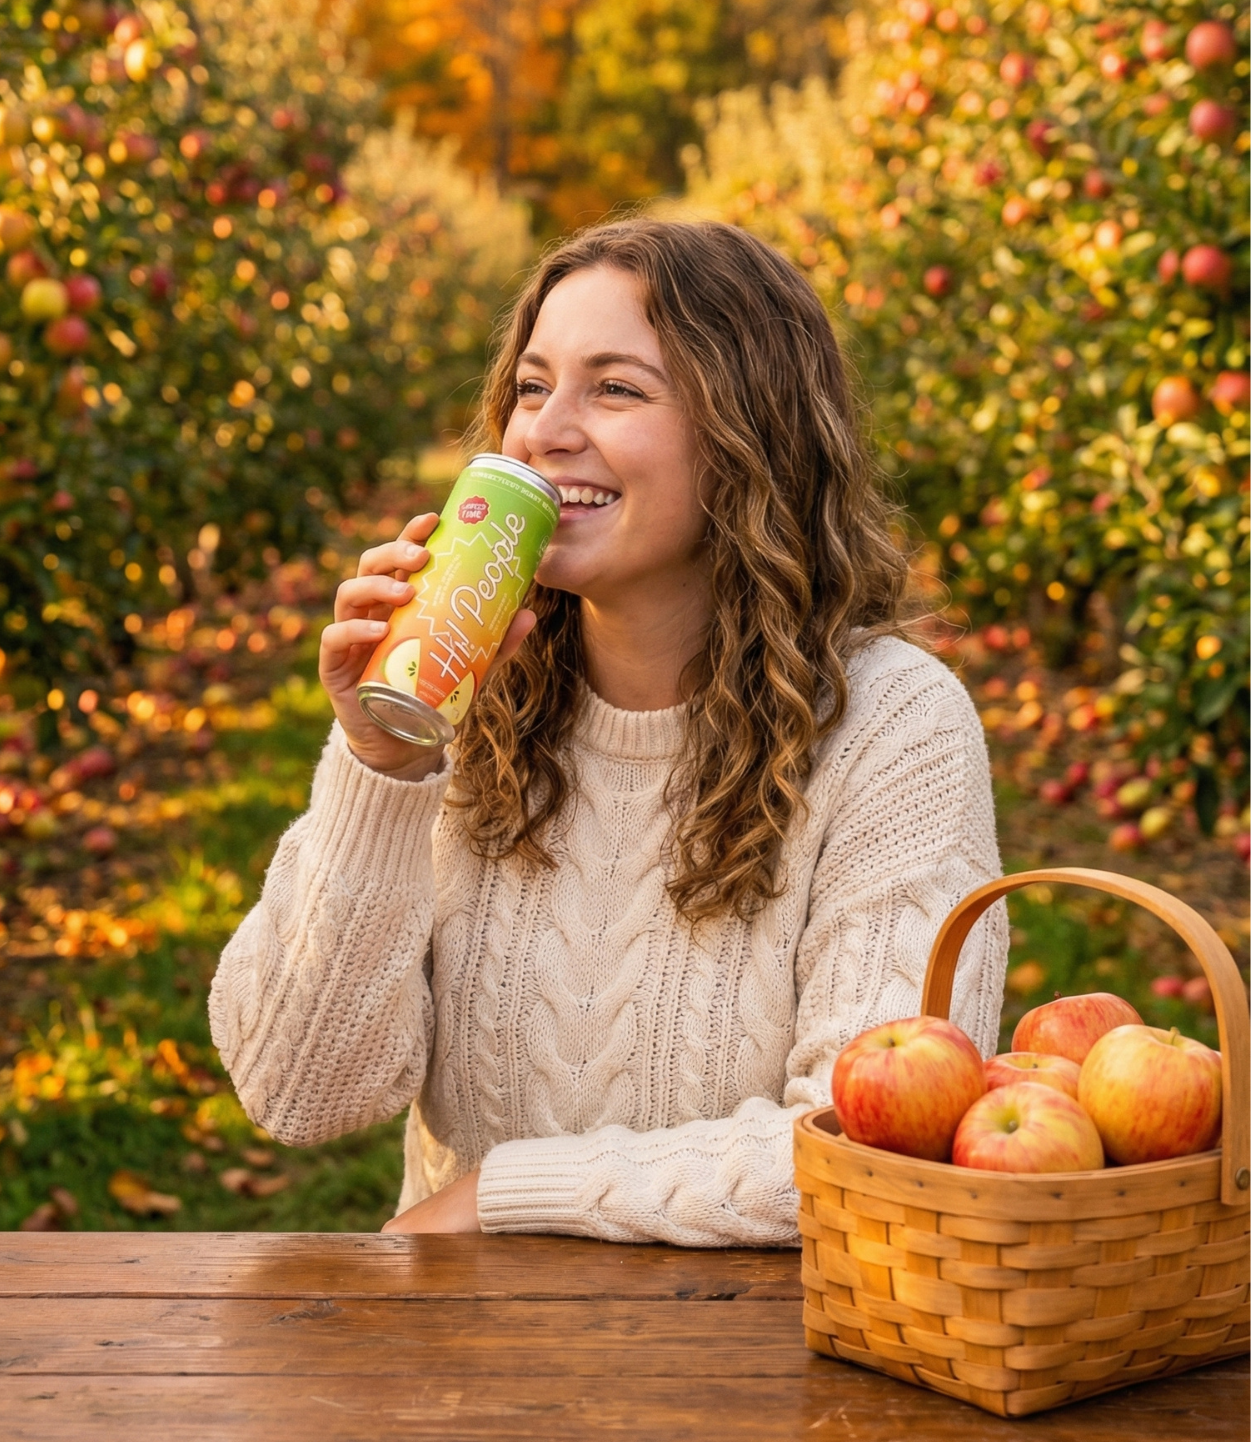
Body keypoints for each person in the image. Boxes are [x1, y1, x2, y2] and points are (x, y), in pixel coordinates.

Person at [208, 218, 1007, 1244]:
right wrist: (381, 767)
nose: (544, 431)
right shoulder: (469, 695)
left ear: (751, 435)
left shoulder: (893, 725)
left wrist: (502, 1196)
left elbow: (867, 1135)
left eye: (616, 389)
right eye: (531, 388)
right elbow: (303, 1095)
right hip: (463, 1356)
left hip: (751, 1356)